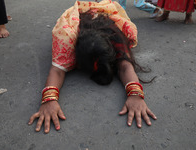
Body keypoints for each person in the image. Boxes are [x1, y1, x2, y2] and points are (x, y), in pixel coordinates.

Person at [28, 0, 157, 133]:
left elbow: (125, 66)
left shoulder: (115, 34)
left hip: (103, 18)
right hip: (80, 18)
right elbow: (57, 69)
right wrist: (49, 100)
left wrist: (135, 94)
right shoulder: (67, 39)